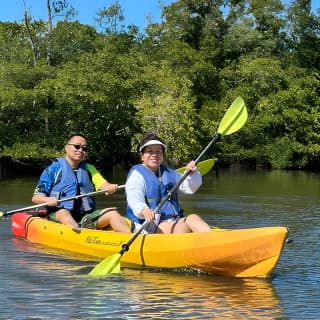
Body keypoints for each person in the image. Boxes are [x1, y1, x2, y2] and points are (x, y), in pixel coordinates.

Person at [32, 134, 131, 232]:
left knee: (112, 213)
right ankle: (79, 234)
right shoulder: (52, 170)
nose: (80, 150)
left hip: (85, 216)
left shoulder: (90, 169)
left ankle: (133, 240)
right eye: (77, 146)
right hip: (57, 214)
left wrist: (109, 187)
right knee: (63, 213)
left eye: (84, 148)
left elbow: (103, 184)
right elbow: (36, 198)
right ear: (66, 148)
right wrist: (47, 199)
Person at [125, 133, 212, 234]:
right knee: (181, 228)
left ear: (163, 155)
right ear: (142, 156)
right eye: (150, 151)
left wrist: (192, 174)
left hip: (173, 219)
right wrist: (143, 210)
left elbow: (189, 188)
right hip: (147, 223)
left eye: (158, 151)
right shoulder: (137, 174)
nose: (155, 155)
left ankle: (213, 242)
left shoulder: (170, 173)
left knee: (193, 218)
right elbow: (134, 197)